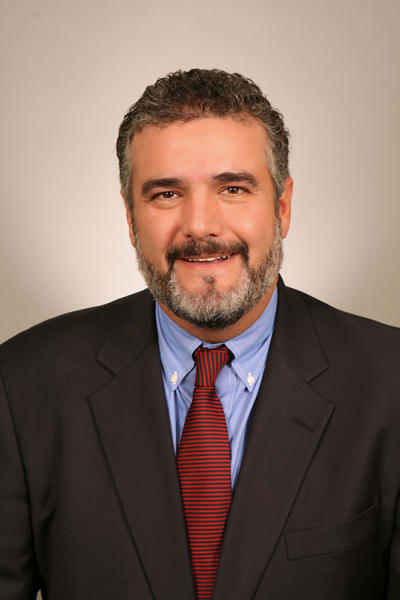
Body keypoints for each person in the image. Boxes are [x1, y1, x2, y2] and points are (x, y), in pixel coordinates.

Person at [0, 68, 399, 600]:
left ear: (281, 208)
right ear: (130, 218)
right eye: (166, 194)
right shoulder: (22, 385)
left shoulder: (389, 384)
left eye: (233, 189)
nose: (200, 226)